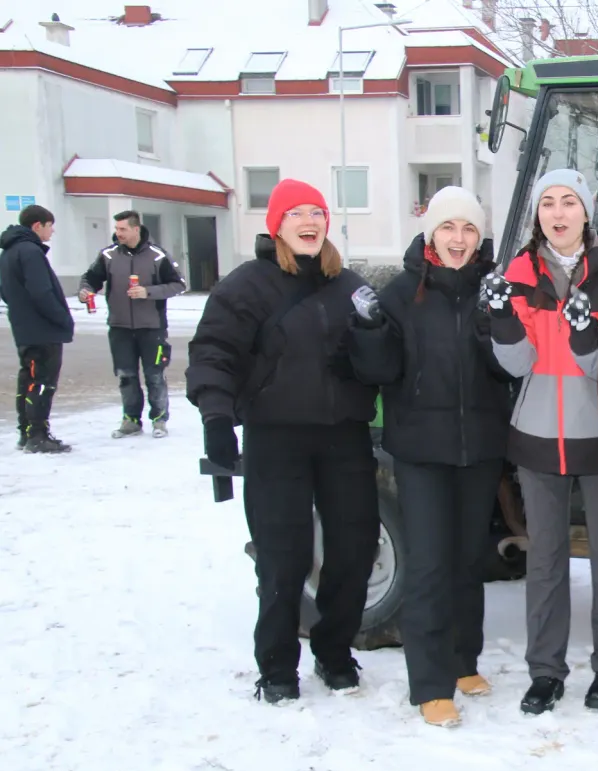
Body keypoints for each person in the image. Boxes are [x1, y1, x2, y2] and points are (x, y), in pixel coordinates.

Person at [186, 179, 380, 704]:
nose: (309, 221)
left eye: (316, 211)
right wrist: (216, 418)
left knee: (354, 551)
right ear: (277, 226)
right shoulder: (247, 286)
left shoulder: (351, 286)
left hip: (344, 438)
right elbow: (213, 352)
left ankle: (334, 652)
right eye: (296, 213)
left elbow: (384, 352)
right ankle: (275, 666)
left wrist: (370, 352)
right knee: (284, 556)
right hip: (277, 438)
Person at [347, 187, 511, 728]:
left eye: (468, 229)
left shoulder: (494, 290)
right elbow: (380, 371)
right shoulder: (400, 294)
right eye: (448, 228)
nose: (458, 239)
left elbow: (507, 366)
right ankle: (430, 683)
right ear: (431, 234)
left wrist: (501, 323)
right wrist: (369, 331)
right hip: (421, 450)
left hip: (480, 447)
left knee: (469, 561)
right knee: (429, 565)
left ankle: (464, 663)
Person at [485, 168, 598, 715]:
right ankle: (545, 671)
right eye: (547, 203)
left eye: (568, 202)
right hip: (537, 438)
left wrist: (584, 333)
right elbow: (517, 363)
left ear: (586, 212)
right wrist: (502, 319)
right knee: (545, 559)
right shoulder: (520, 274)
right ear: (538, 215)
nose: (557, 212)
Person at [78, 210, 186, 439]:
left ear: (136, 229)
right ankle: (131, 420)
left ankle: (159, 419)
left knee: (154, 375)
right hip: (120, 327)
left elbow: (179, 284)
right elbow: (91, 278)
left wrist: (148, 292)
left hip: (152, 327)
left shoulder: (158, 256)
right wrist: (85, 290)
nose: (118, 234)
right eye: (117, 229)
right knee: (126, 375)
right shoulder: (108, 255)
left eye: (123, 229)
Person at [0, 204, 74, 453]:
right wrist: (62, 318)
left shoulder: (9, 252)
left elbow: (6, 292)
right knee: (42, 382)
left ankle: (27, 432)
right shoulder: (30, 252)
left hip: (25, 328)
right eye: (50, 226)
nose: (52, 231)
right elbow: (41, 291)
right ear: (37, 225)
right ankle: (37, 434)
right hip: (42, 330)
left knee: (29, 381)